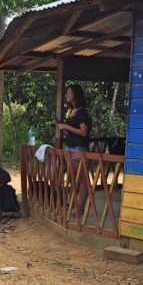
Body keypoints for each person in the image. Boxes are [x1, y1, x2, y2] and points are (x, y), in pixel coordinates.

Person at [56, 84, 92, 219]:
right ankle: (73, 205)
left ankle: (80, 208)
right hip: (70, 148)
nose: (67, 95)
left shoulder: (81, 112)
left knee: (82, 180)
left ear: (76, 94)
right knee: (74, 179)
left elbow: (84, 131)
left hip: (78, 148)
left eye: (69, 92)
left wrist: (66, 126)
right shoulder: (72, 110)